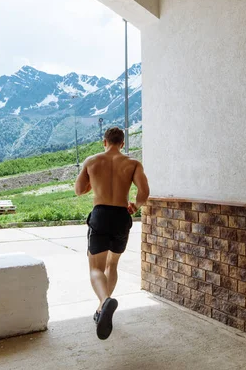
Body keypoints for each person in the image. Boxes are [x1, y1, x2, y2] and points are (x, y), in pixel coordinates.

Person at [75, 127, 150, 340]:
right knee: (112, 264)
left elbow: (79, 190)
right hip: (120, 216)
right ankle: (101, 309)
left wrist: (94, 184)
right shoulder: (133, 163)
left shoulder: (91, 161)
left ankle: (104, 301)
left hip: (100, 215)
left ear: (104, 142)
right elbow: (144, 192)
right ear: (123, 144)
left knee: (95, 267)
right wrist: (135, 205)